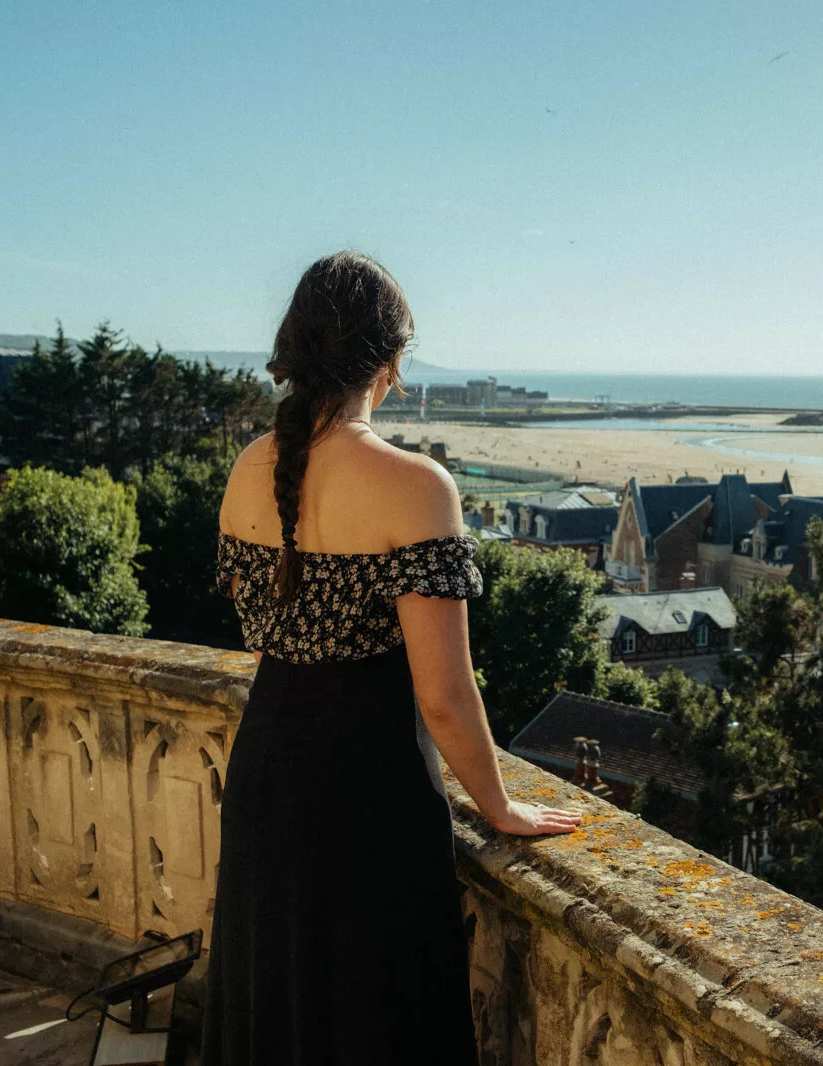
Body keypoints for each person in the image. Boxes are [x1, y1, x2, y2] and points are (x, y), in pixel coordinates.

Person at [201, 251, 582, 1064]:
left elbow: (263, 630)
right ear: (393, 360)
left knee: (279, 1008)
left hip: (265, 774)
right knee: (376, 1017)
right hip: (368, 793)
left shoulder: (246, 468)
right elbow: (443, 692)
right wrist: (501, 806)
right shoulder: (416, 486)